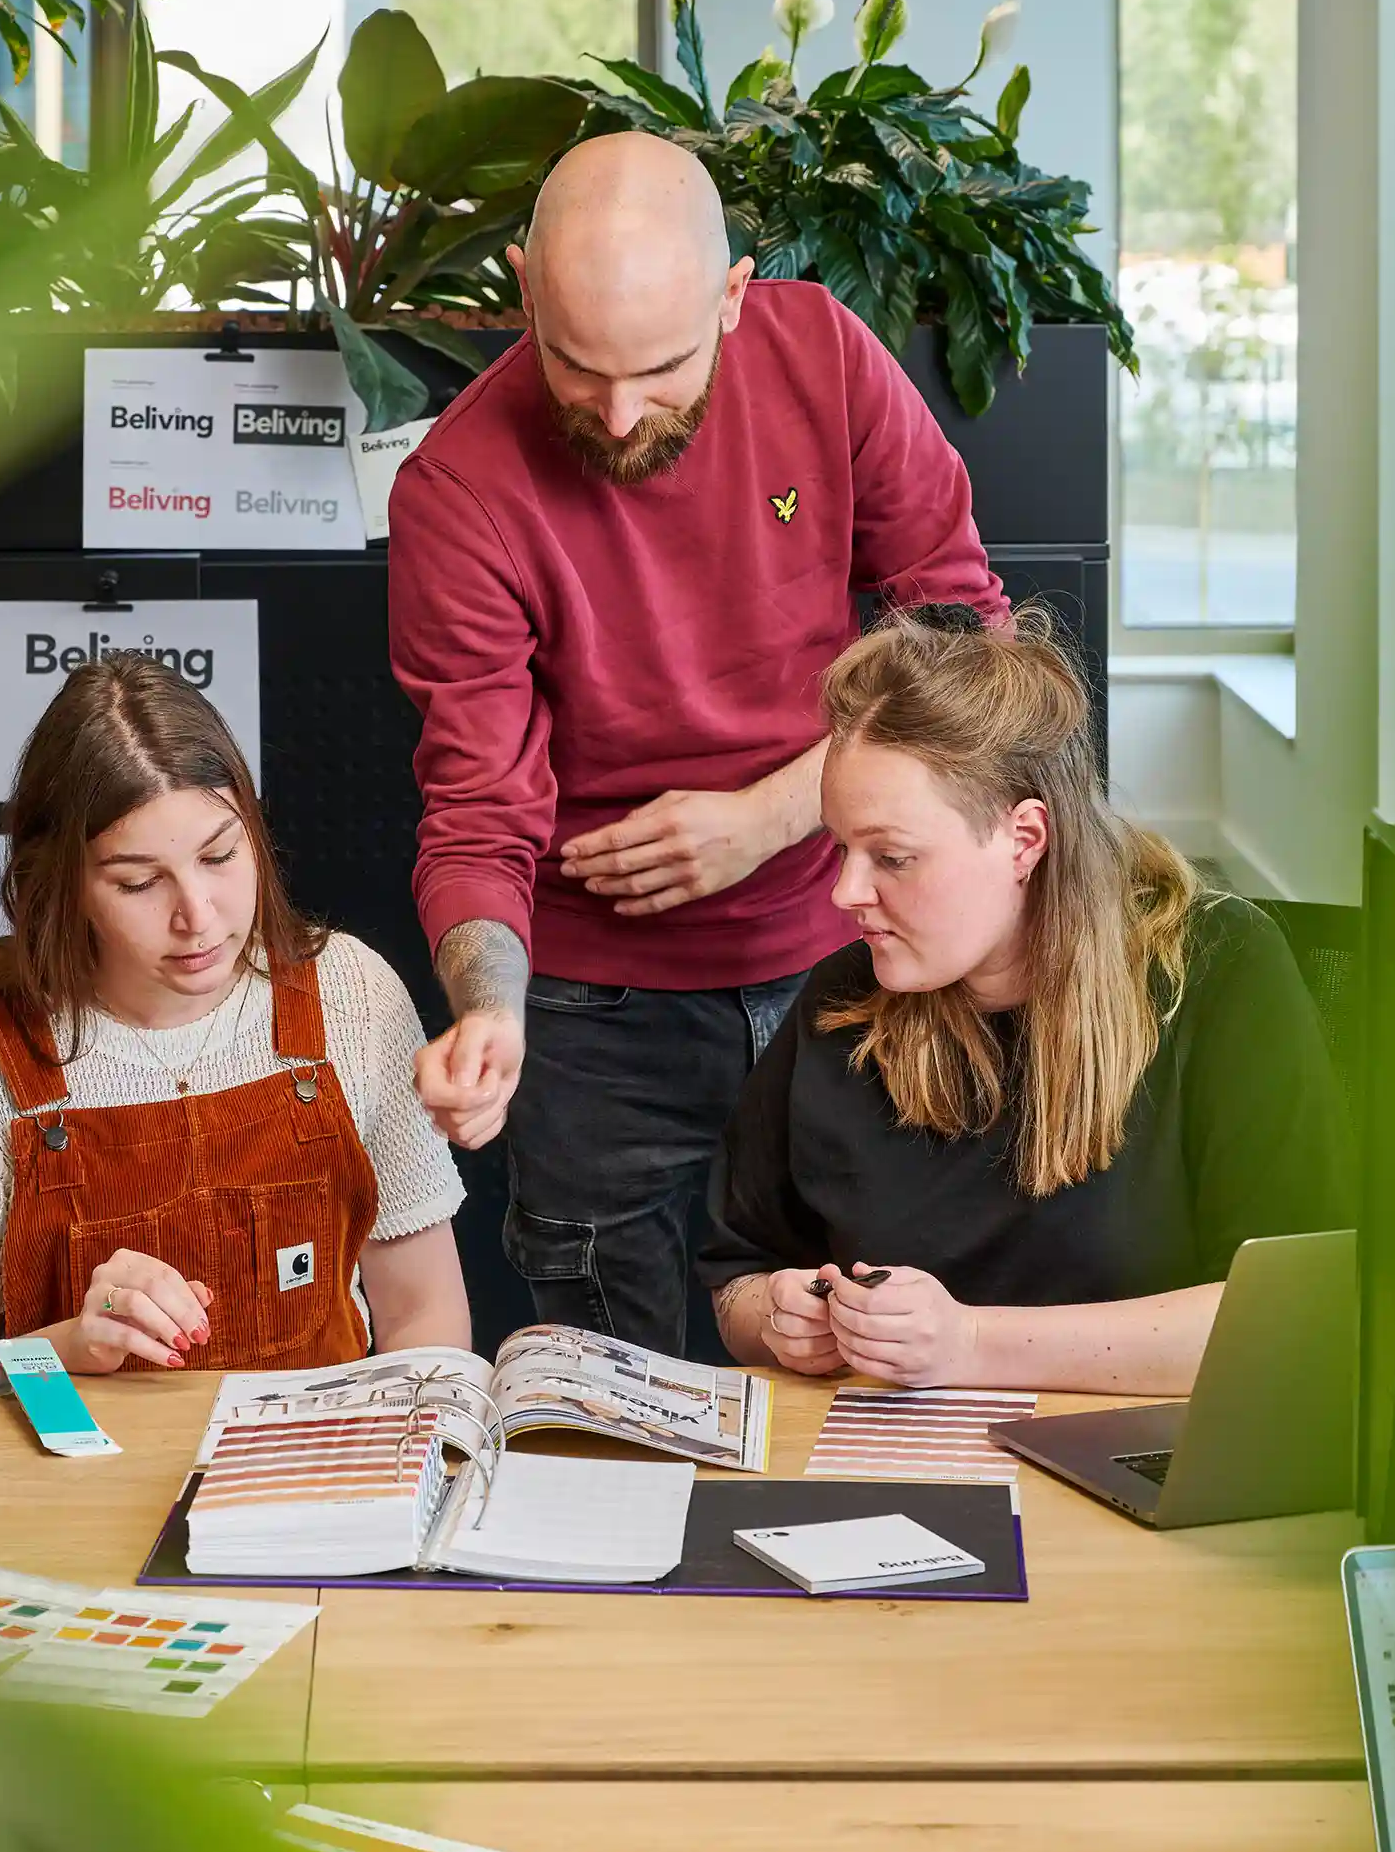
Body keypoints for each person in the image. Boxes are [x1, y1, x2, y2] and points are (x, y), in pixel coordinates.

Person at [388, 132, 1008, 1354]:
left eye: (662, 370)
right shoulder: (454, 490)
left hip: (859, 952)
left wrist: (778, 812)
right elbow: (477, 808)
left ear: (733, 296)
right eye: (575, 367)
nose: (618, 417)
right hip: (595, 1008)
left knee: (882, 1348)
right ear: (521, 290)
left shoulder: (823, 356)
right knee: (616, 1388)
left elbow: (966, 640)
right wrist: (490, 1011)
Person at [700, 608, 1350, 1391]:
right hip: (890, 1469)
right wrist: (777, 1318)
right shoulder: (843, 998)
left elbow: (1294, 1317)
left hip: (1135, 1465)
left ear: (1023, 839)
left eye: (893, 856)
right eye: (840, 847)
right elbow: (739, 1276)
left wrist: (967, 1344)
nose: (846, 891)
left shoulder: (1215, 969)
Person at [0, 654, 470, 1376]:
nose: (198, 916)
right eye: (140, 881)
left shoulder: (350, 991)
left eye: (219, 856)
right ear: (62, 884)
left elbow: (422, 1314)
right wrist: (64, 1349)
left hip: (309, 1474)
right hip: (69, 1481)